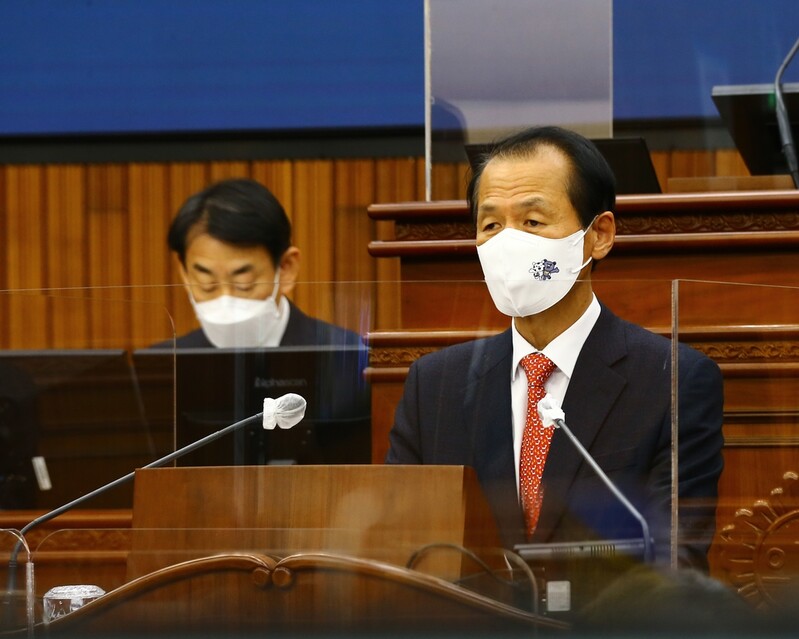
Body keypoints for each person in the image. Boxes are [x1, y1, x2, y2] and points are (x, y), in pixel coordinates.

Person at [385, 126, 724, 570]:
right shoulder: (435, 385)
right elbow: (402, 549)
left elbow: (673, 561)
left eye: (532, 222)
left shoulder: (672, 379)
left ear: (598, 234)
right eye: (490, 225)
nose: (508, 243)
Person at [164, 178, 362, 349]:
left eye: (244, 283)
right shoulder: (164, 369)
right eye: (207, 284)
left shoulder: (348, 358)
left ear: (286, 268)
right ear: (184, 272)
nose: (226, 302)